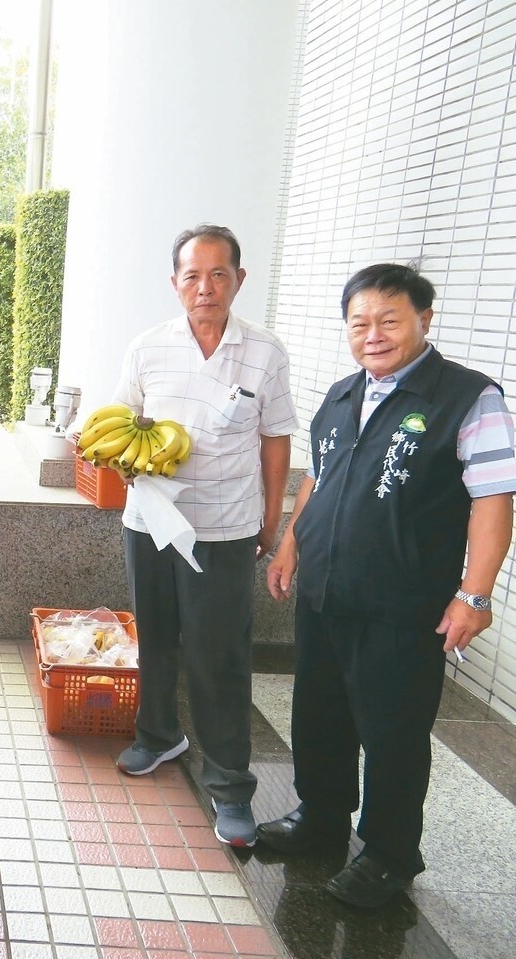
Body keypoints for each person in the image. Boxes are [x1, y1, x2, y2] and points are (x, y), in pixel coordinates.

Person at [261, 263, 516, 908]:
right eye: (360, 322)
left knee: (393, 730)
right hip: (325, 591)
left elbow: (493, 499)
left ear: (424, 321)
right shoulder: (344, 393)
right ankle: (321, 818)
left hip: (402, 604)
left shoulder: (467, 397)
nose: (372, 334)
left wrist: (474, 593)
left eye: (388, 320)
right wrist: (292, 541)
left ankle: (390, 854)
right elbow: (317, 479)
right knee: (319, 714)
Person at [109, 224, 297, 847]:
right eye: (192, 275)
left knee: (220, 657)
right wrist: (124, 457)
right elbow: (119, 423)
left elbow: (275, 438)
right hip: (152, 521)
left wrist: (272, 520)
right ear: (175, 283)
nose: (205, 287)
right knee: (156, 638)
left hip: (224, 528)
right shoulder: (147, 347)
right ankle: (159, 736)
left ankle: (230, 785)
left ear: (240, 279)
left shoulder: (265, 352)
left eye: (219, 274)